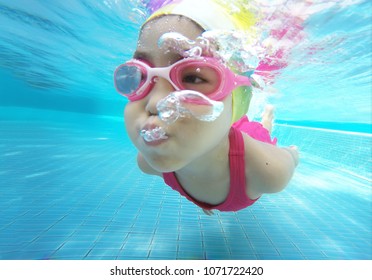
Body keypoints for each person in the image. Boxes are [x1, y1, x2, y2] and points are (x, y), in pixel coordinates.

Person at [114, 0, 299, 215]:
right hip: (221, 132)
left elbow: (290, 159)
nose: (155, 104)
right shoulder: (151, 159)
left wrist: (292, 154)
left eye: (193, 77)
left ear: (237, 99)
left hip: (244, 147)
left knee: (263, 132)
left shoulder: (270, 172)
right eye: (139, 75)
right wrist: (204, 199)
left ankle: (267, 117)